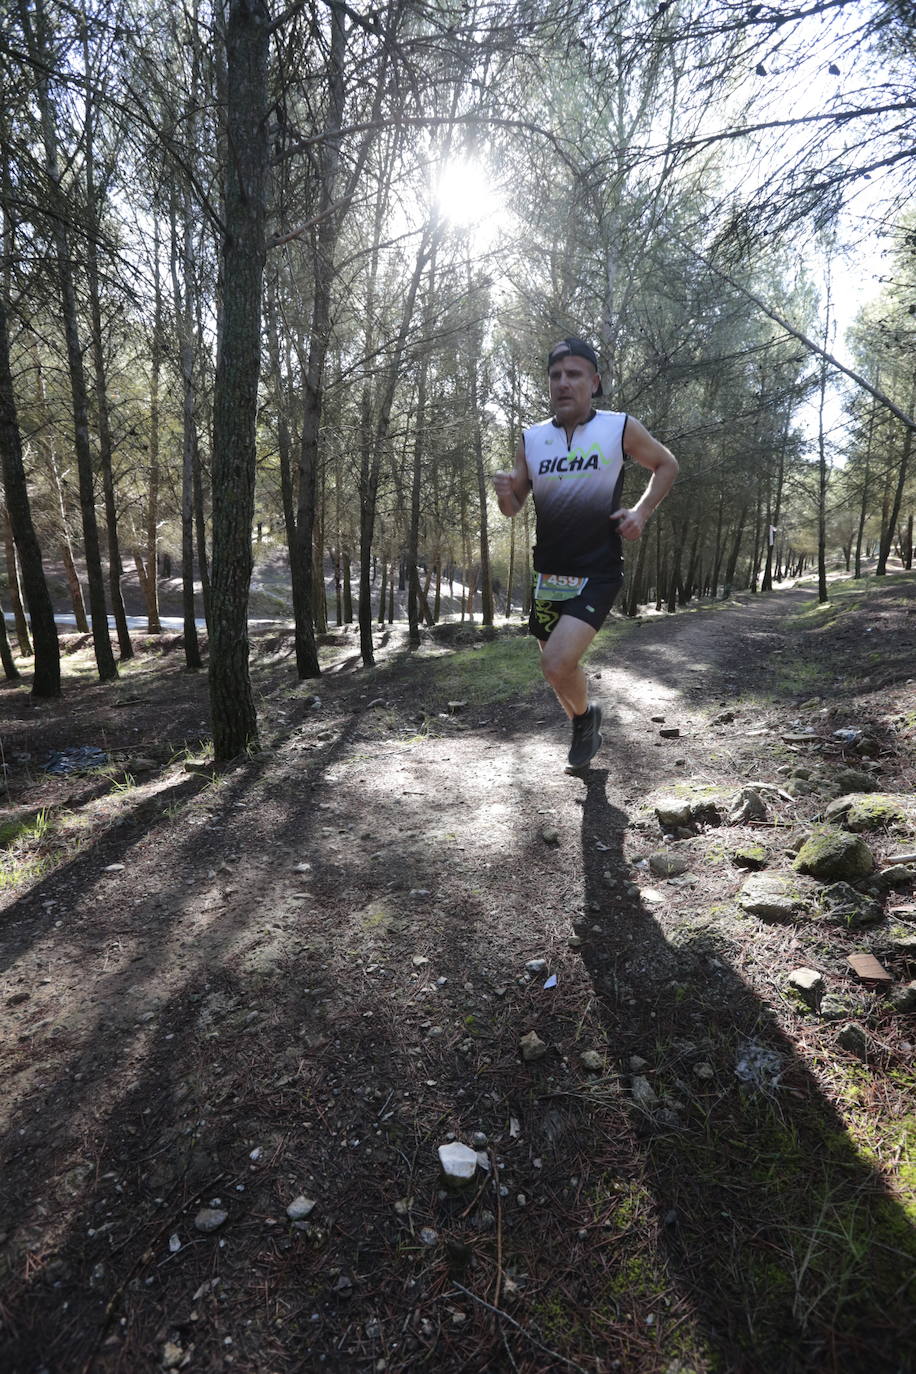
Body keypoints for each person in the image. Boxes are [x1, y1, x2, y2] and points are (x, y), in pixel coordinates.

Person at [493, 337, 678, 769]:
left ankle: (582, 719)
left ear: (593, 383)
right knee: (556, 667)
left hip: (597, 569)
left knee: (556, 664)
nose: (563, 383)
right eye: (556, 376)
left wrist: (642, 511)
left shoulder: (619, 428)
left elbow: (666, 463)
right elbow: (512, 507)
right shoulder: (532, 439)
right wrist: (506, 493)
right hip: (549, 573)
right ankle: (583, 717)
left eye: (574, 374)